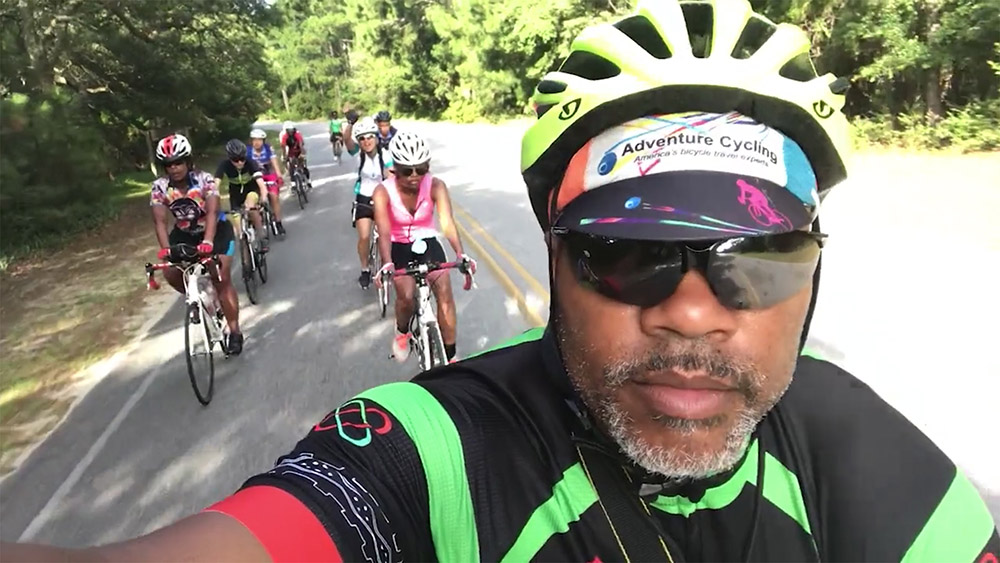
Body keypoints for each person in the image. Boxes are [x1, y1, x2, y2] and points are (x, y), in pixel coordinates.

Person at [4, 1, 998, 561]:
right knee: (378, 280)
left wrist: (445, 254)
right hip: (379, 252)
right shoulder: (436, 448)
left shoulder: (841, 430)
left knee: (408, 277)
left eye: (758, 255)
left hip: (401, 240)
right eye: (626, 250)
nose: (692, 308)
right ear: (559, 253)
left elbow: (424, 220)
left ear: (812, 268)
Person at [372, 131, 477, 364]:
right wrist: (387, 262)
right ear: (394, 168)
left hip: (427, 240)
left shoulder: (436, 186)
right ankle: (402, 331)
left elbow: (447, 222)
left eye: (421, 169)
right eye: (406, 170)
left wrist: (460, 253)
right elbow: (384, 231)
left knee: (445, 293)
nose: (414, 176)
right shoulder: (382, 191)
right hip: (398, 244)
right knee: (407, 297)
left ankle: (450, 357)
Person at [151, 134, 244, 355]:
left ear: (188, 161)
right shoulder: (159, 187)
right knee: (171, 272)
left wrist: (209, 241)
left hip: (216, 231)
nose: (174, 168)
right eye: (169, 164)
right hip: (184, 233)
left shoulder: (205, 180)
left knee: (220, 277)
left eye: (178, 162)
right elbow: (160, 221)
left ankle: (235, 331)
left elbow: (213, 211)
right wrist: (167, 250)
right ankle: (197, 299)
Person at [343, 116, 393, 289]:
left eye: (370, 137)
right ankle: (365, 269)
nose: (366, 141)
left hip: (382, 199)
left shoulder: (386, 155)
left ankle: (386, 264)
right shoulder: (357, 154)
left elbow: (392, 174)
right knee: (364, 237)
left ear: (376, 137)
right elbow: (346, 140)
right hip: (363, 198)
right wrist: (350, 124)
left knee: (385, 235)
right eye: (362, 138)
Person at [215, 139, 269, 253]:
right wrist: (214, 203)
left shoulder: (251, 163)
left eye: (242, 159)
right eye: (235, 160)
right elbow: (215, 186)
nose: (240, 162)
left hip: (251, 191)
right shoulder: (224, 165)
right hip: (235, 196)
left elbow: (261, 185)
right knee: (238, 226)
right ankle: (244, 247)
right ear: (230, 159)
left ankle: (261, 236)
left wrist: (264, 198)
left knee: (251, 207)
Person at [247, 128, 286, 236]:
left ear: (263, 141)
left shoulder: (268, 149)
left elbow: (274, 162)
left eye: (259, 140)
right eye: (254, 140)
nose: (256, 142)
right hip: (254, 176)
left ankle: (278, 223)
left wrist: (278, 175)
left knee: (274, 197)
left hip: (268, 174)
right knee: (254, 198)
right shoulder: (248, 150)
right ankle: (257, 221)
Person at [279, 120, 312, 190]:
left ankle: (308, 181)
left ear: (294, 130)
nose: (290, 132)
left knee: (303, 166)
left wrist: (302, 154)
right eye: (289, 131)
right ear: (286, 131)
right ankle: (293, 184)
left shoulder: (297, 134)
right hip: (291, 152)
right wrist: (285, 156)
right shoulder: (285, 136)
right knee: (291, 166)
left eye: (292, 130)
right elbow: (283, 148)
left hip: (299, 150)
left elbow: (301, 144)